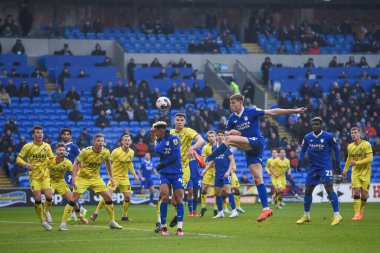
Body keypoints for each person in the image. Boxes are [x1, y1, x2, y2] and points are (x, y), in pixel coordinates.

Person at [205, 94, 307, 222]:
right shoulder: (232, 118)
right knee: (257, 178)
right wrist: (230, 132)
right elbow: (226, 132)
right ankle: (266, 209)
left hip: (257, 142)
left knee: (229, 140)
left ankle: (210, 156)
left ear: (240, 103)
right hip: (250, 150)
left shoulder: (251, 111)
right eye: (230, 103)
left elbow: (272, 112)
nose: (230, 105)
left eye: (233, 103)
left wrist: (293, 111)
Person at [67, 134, 123, 230]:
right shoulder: (85, 151)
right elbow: (76, 163)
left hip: (96, 178)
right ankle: (64, 223)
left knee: (108, 197)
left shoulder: (105, 152)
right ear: (94, 142)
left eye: (102, 141)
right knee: (74, 199)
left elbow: (108, 163)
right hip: (82, 178)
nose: (100, 142)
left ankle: (112, 222)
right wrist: (74, 177)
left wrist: (111, 177)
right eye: (98, 141)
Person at [296, 117, 342, 226]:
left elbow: (336, 148)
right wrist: (299, 160)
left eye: (317, 124)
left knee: (328, 187)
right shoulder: (307, 137)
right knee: (308, 190)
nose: (315, 126)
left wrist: (338, 162)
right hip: (313, 167)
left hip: (325, 166)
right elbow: (303, 149)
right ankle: (306, 215)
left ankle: (337, 215)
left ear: (321, 125)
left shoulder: (328, 136)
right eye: (313, 125)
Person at [167, 113, 205, 227]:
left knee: (179, 195)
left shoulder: (188, 131)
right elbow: (158, 143)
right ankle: (178, 212)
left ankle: (180, 220)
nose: (179, 121)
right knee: (173, 201)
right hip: (171, 168)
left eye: (182, 120)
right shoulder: (170, 133)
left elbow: (201, 140)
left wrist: (192, 148)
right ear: (174, 121)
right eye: (177, 119)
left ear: (184, 122)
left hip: (183, 168)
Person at [91, 134, 139, 221]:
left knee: (128, 198)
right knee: (108, 196)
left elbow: (130, 163)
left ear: (131, 141)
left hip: (125, 178)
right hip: (115, 177)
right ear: (122, 142)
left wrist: (134, 174)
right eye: (125, 140)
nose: (127, 141)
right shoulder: (116, 152)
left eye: (129, 140)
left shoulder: (132, 152)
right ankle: (96, 212)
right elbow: (108, 162)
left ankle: (124, 215)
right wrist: (110, 176)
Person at [16, 125, 55, 231]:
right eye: (37, 132)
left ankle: (46, 211)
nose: (40, 134)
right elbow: (18, 158)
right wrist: (26, 164)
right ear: (33, 134)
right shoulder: (28, 146)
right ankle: (42, 220)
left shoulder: (47, 146)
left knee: (49, 195)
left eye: (41, 132)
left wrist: (54, 163)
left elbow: (52, 159)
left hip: (45, 175)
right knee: (37, 198)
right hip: (34, 177)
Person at [150, 121, 184, 236]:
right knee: (164, 196)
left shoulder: (175, 139)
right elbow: (157, 150)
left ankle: (180, 227)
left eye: (156, 132)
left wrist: (162, 164)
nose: (155, 134)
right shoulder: (160, 140)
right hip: (165, 174)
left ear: (161, 131)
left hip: (176, 173)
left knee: (179, 198)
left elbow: (175, 156)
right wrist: (164, 138)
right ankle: (163, 226)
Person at [48, 143, 88, 229]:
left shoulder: (68, 162)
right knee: (49, 197)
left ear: (65, 151)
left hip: (61, 183)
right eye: (60, 150)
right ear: (56, 151)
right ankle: (46, 216)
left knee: (73, 201)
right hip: (50, 182)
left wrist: (74, 180)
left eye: (63, 150)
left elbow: (72, 172)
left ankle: (80, 215)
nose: (62, 151)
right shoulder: (50, 160)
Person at [51, 128, 86, 221]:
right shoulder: (57, 146)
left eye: (68, 134)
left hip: (70, 172)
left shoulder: (73, 146)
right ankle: (78, 209)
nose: (66, 136)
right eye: (64, 134)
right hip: (61, 171)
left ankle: (77, 211)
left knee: (69, 192)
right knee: (67, 194)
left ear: (70, 136)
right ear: (61, 135)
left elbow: (81, 157)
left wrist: (80, 169)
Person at [202, 130, 238, 218]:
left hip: (225, 173)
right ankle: (221, 212)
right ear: (216, 137)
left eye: (222, 135)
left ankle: (234, 210)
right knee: (217, 193)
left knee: (228, 191)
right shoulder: (214, 148)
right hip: (217, 173)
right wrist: (205, 169)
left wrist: (228, 172)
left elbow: (232, 160)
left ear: (224, 137)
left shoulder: (226, 147)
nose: (220, 136)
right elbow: (212, 160)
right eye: (219, 135)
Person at [342, 127, 373, 221]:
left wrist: (357, 163)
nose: (353, 134)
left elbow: (370, 159)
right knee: (356, 191)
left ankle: (361, 209)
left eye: (355, 133)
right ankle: (356, 214)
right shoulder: (350, 146)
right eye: (351, 133)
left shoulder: (366, 144)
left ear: (360, 134)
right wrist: (345, 170)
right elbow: (349, 160)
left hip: (366, 172)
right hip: (355, 172)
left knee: (364, 195)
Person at [200, 130, 217, 217]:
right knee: (204, 189)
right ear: (207, 138)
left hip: (217, 170)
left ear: (215, 137)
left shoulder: (219, 146)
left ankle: (215, 208)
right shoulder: (205, 148)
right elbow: (203, 160)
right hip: (208, 170)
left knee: (217, 189)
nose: (211, 138)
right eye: (209, 137)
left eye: (212, 136)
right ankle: (203, 207)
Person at [187, 149, 203, 216]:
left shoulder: (197, 150)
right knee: (190, 191)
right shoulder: (184, 150)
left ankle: (194, 210)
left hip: (196, 175)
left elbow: (202, 161)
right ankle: (190, 212)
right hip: (188, 175)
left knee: (196, 194)